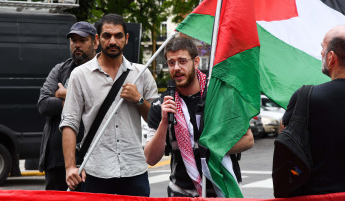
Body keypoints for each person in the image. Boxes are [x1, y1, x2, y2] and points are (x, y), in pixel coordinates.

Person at [59, 13, 158, 196]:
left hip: (134, 170)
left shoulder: (141, 74)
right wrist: (70, 166)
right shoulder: (80, 75)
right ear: (98, 39)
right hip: (96, 171)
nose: (113, 41)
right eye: (107, 35)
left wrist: (139, 99)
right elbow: (69, 123)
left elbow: (155, 119)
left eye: (118, 36)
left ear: (126, 39)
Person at [144, 37, 254, 197]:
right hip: (182, 193)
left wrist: (209, 147)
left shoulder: (219, 96)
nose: (177, 68)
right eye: (171, 63)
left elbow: (248, 139)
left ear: (196, 62)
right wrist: (164, 123)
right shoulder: (161, 105)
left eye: (182, 61)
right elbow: (151, 158)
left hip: (224, 190)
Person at [282, 25, 345, 195]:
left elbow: (286, 148)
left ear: (331, 57)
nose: (320, 54)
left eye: (323, 48)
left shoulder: (305, 98)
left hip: (314, 195)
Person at [37, 21, 98, 190]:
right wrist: (77, 99)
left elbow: (99, 101)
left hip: (89, 158)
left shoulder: (102, 71)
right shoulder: (60, 70)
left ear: (95, 42)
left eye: (82, 40)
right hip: (55, 161)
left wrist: (67, 94)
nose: (77, 45)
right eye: (73, 40)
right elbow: (43, 105)